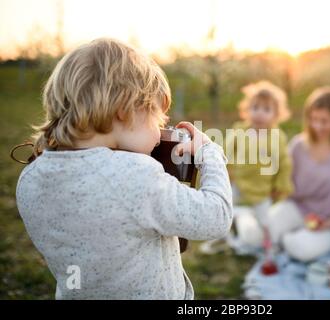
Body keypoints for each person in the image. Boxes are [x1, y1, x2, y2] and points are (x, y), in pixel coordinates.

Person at [15, 38, 233, 299]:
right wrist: (210, 152)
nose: (160, 130)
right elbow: (216, 217)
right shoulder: (134, 176)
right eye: (157, 117)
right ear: (125, 109)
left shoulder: (30, 177)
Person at [266, 86, 330, 262]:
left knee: (301, 249)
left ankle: (287, 240)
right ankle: (279, 236)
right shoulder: (298, 145)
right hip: (299, 208)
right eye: (313, 119)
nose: (317, 126)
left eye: (324, 121)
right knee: (270, 221)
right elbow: (283, 178)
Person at [226, 81, 293, 248]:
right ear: (247, 110)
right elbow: (227, 150)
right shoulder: (239, 130)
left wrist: (281, 185)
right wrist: (227, 169)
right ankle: (221, 234)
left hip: (263, 187)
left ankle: (268, 242)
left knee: (265, 218)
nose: (259, 114)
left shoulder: (278, 137)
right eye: (255, 108)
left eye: (266, 109)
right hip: (239, 181)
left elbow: (284, 164)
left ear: (276, 114)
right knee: (225, 205)